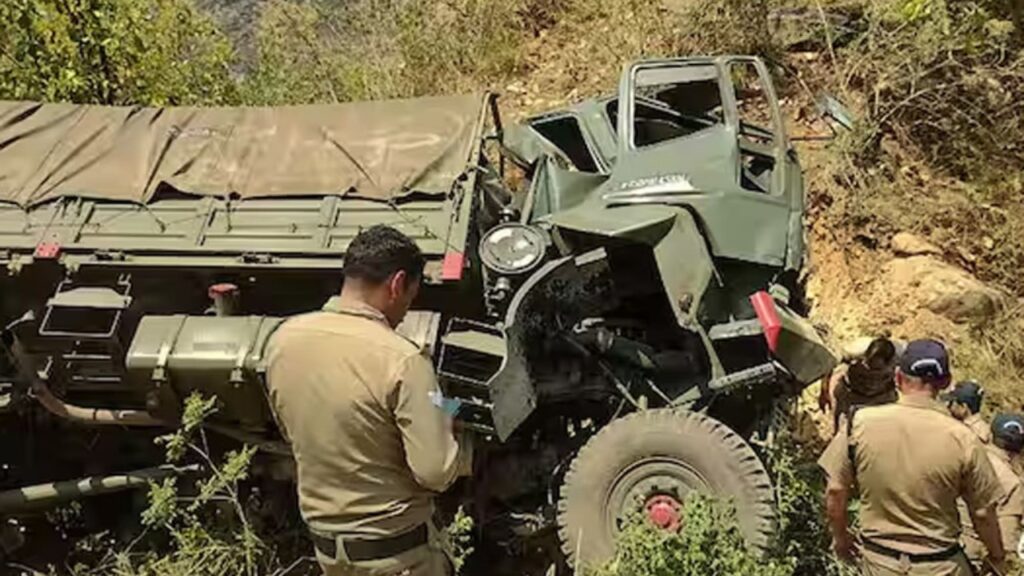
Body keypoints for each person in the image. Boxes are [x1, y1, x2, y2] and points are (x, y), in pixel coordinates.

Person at [266, 225, 472, 576]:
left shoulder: (282, 341)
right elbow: (435, 471)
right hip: (398, 556)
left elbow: (294, 429)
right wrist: (459, 437)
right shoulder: (403, 361)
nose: (406, 311)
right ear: (397, 284)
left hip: (330, 553)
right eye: (410, 297)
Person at [818, 339, 1009, 575]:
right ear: (946, 383)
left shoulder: (858, 423)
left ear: (897, 377)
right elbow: (982, 513)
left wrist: (840, 538)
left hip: (879, 561)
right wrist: (997, 556)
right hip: (940, 565)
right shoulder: (964, 439)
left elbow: (835, 490)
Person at [960, 413, 1024, 568]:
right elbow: (1007, 541)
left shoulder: (967, 458)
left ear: (990, 433)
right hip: (974, 559)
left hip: (945, 548)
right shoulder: (1012, 483)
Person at [819, 336, 901, 434]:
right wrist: (824, 392)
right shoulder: (852, 352)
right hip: (852, 395)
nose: (872, 373)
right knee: (843, 432)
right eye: (869, 366)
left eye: (877, 370)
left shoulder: (901, 358)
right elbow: (829, 365)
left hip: (881, 396)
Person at [945, 380, 992, 444]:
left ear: (964, 407)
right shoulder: (985, 428)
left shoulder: (973, 433)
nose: (948, 407)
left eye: (951, 403)